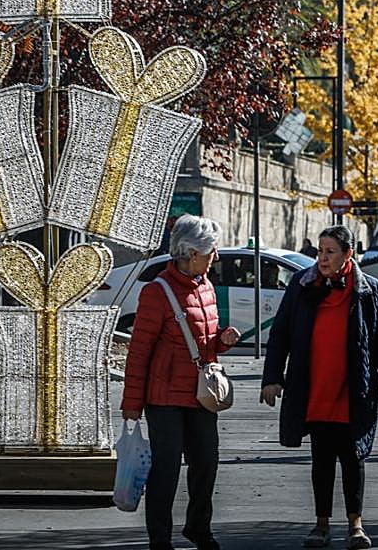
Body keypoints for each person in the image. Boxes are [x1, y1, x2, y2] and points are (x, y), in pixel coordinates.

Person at [260, 225, 378, 550]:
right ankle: (321, 524)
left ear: (348, 254)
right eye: (320, 251)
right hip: (314, 390)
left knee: (354, 458)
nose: (322, 258)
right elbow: (280, 333)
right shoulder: (302, 284)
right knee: (321, 459)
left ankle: (356, 525)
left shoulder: (370, 290)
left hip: (353, 390)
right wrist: (272, 377)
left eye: (330, 252)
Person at [122, 215, 241, 550]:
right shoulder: (156, 292)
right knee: (167, 468)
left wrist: (222, 342)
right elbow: (139, 352)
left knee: (206, 461)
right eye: (211, 251)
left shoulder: (205, 286)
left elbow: (203, 343)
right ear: (191, 252)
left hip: (201, 394)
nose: (215, 257)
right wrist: (132, 404)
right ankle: (160, 539)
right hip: (164, 397)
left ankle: (198, 527)